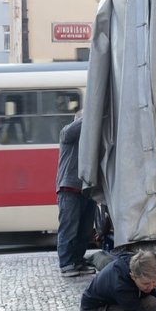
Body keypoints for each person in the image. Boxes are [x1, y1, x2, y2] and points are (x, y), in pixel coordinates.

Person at [56, 111, 96, 277]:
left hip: (86, 189)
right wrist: (94, 110)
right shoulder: (67, 133)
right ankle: (66, 264)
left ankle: (77, 261)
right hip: (69, 188)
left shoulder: (89, 141)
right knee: (69, 228)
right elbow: (76, 127)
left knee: (84, 230)